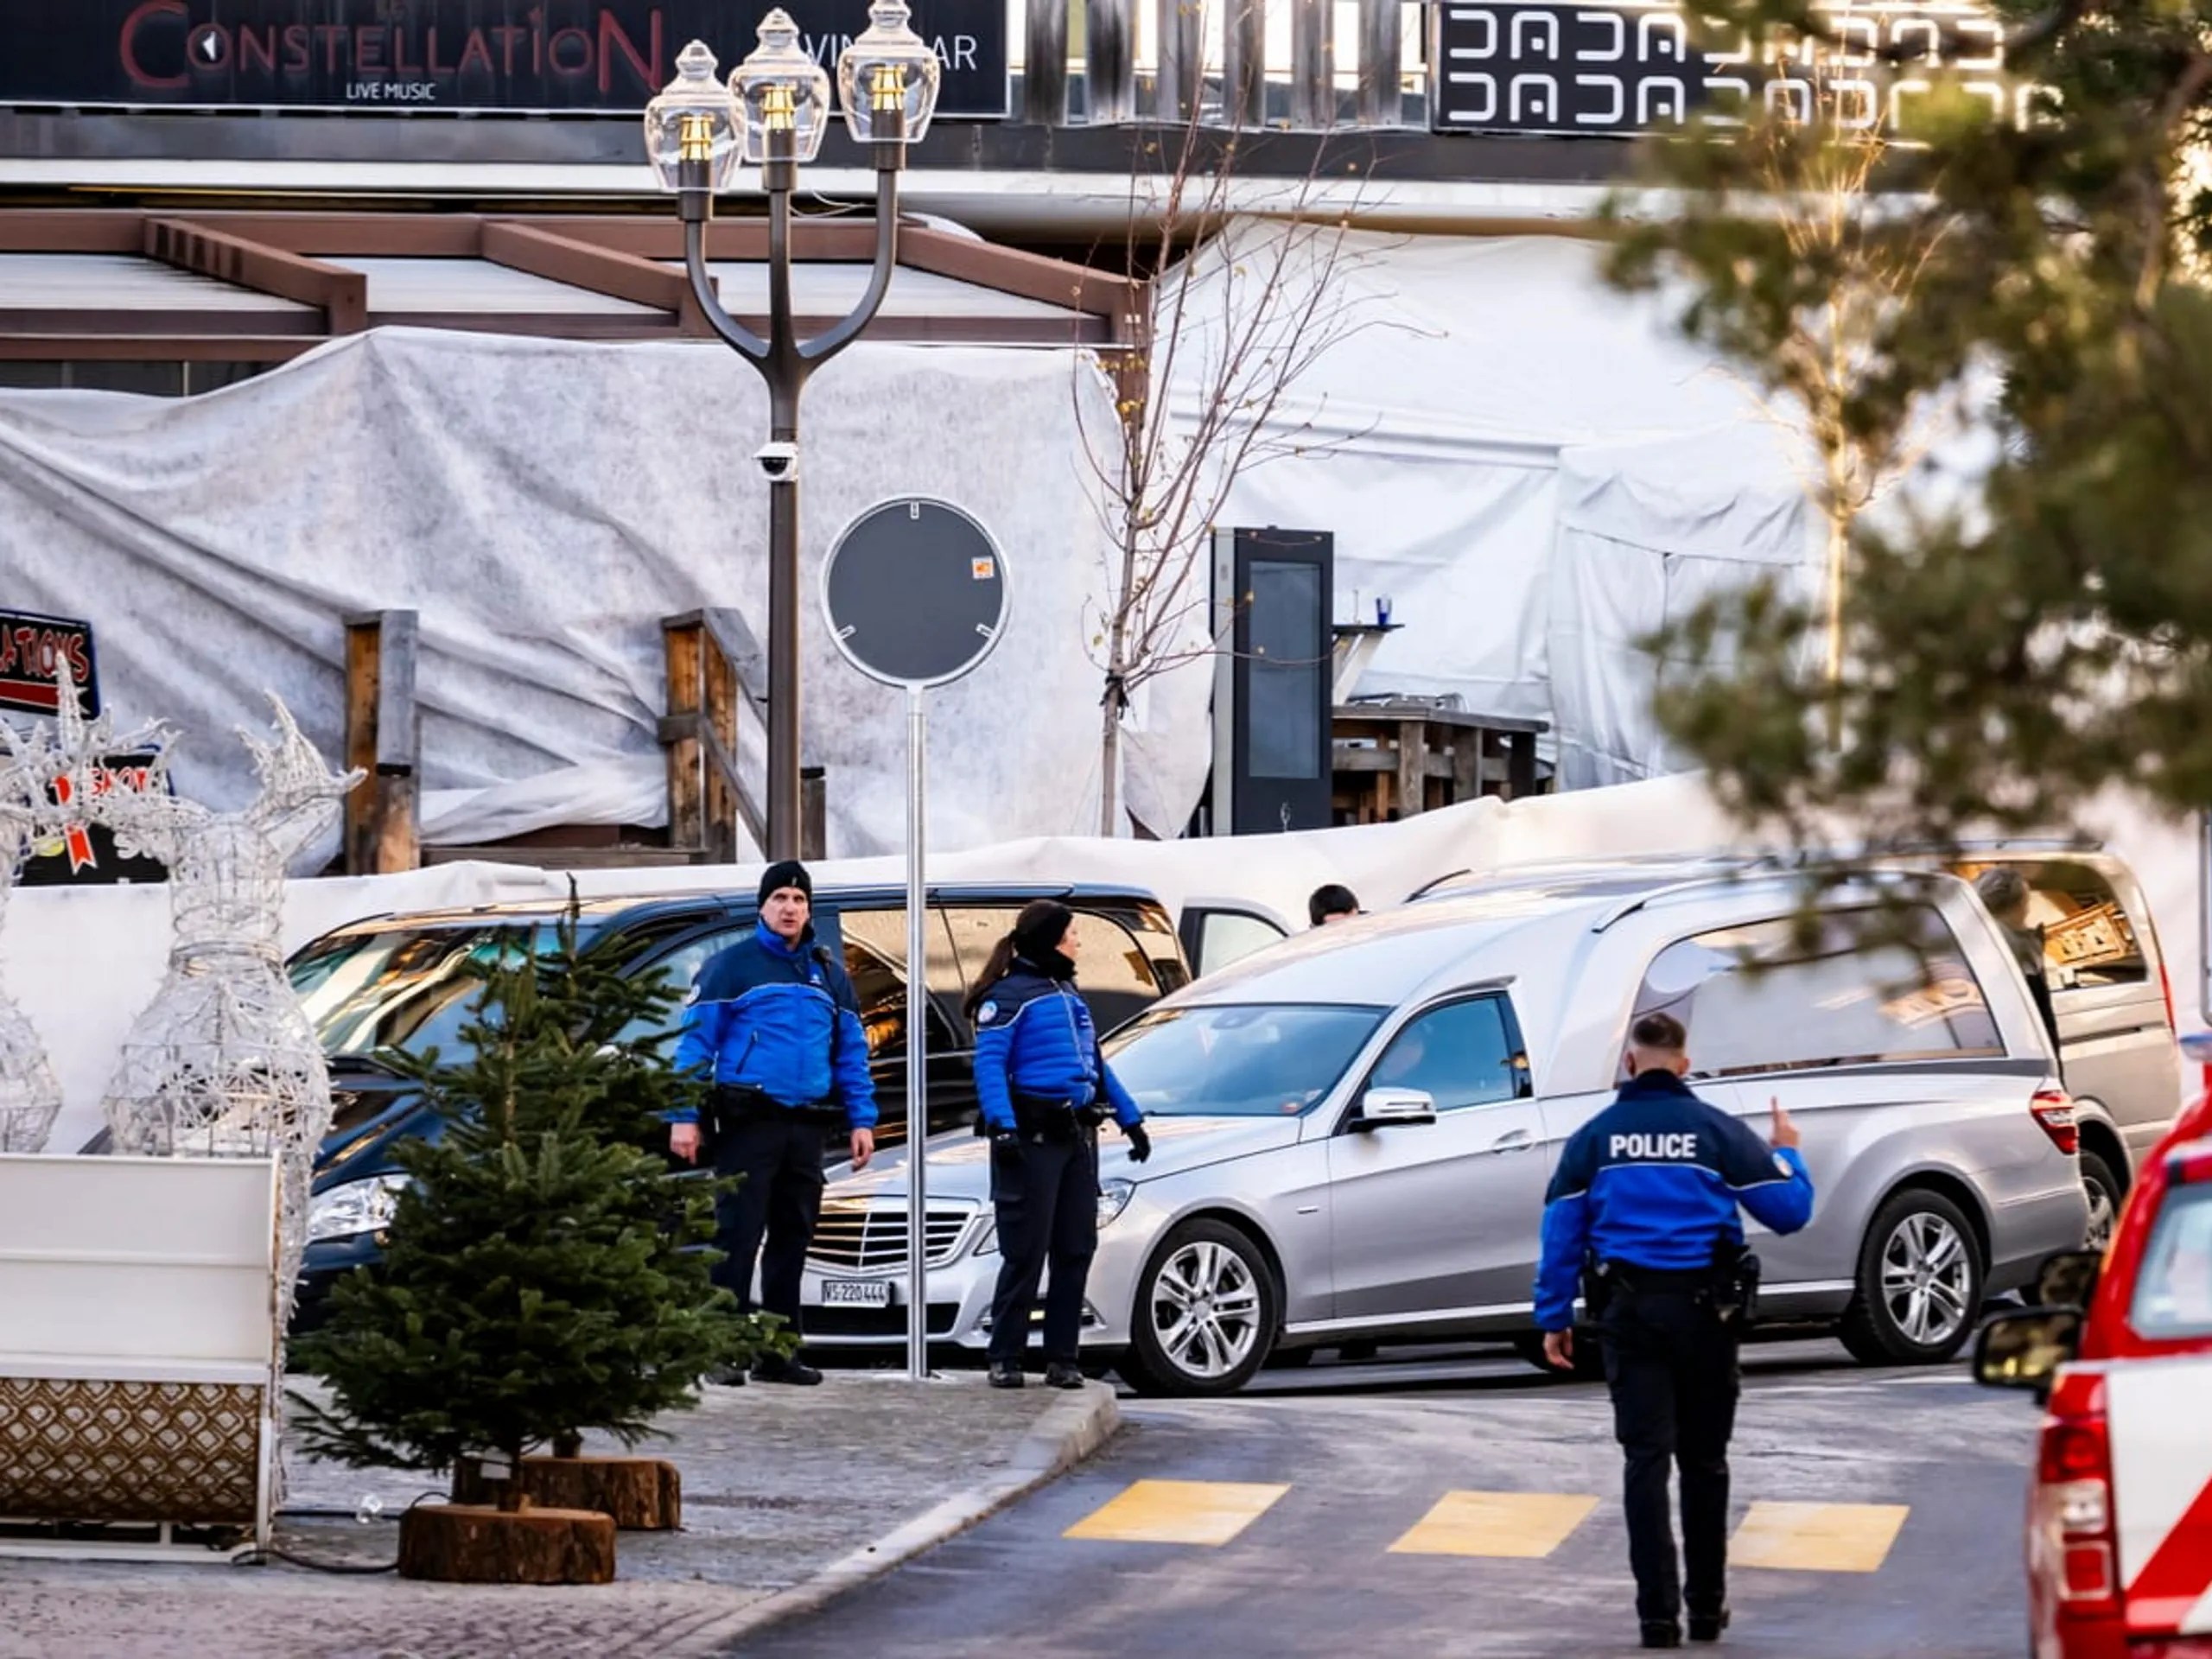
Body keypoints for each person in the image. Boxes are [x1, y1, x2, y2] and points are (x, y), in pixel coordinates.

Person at [1531, 1011, 1815, 1649]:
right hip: (1706, 1318)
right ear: (1684, 1066)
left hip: (1629, 1318)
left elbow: (1560, 1235)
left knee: (1645, 1462)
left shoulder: (1594, 1139)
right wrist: (1789, 1148)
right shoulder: (1717, 1132)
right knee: (1705, 1462)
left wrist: (1553, 1317)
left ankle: (1656, 1618)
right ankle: (1708, 1610)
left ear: (1629, 1063)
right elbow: (1791, 1211)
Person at [671, 860, 876, 1386]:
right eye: (780, 898)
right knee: (736, 1235)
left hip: (807, 1125)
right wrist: (684, 1117)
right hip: (750, 1122)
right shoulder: (731, 966)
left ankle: (778, 1352)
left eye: (799, 900)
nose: (790, 908)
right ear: (762, 906)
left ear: (810, 909)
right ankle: (723, 1348)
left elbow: (851, 1051)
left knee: (793, 1236)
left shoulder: (829, 973)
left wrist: (862, 1119)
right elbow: (695, 1046)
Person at [966, 900, 1152, 1389]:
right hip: (1031, 1137)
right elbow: (988, 1065)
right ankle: (1005, 1355)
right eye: (1072, 933)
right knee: (1025, 1251)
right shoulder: (1008, 997)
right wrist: (1003, 1127)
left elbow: (1096, 1064)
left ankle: (1062, 1357)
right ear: (1051, 938)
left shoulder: (1068, 992)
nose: (1077, 942)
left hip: (1076, 1139)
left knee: (1075, 1248)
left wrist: (1131, 1120)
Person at [1974, 866, 2061, 1052]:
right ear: (2021, 904)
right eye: (2027, 901)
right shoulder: (2018, 948)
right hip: (2026, 1049)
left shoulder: (1975, 941)